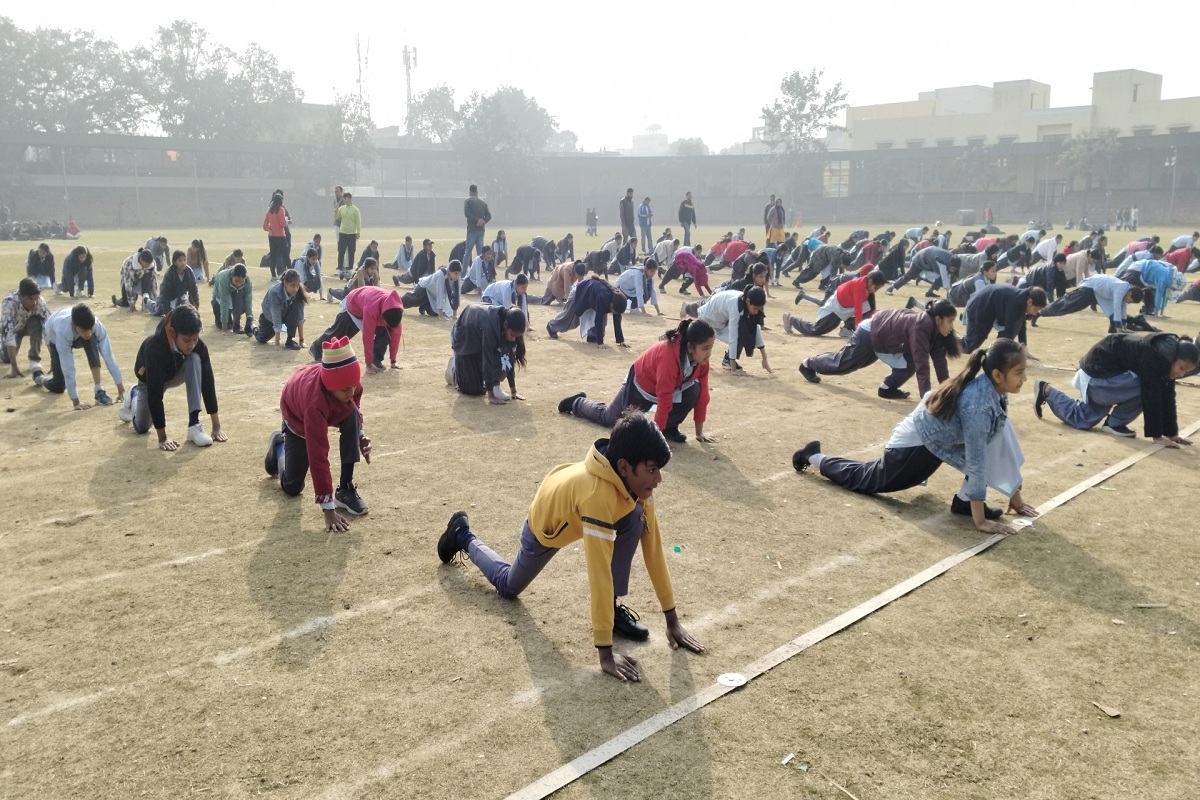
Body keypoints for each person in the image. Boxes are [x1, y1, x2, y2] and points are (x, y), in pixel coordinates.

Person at [436, 412, 705, 682]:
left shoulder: (639, 488)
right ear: (623, 467)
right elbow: (599, 572)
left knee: (636, 517)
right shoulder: (597, 497)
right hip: (546, 525)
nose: (658, 479)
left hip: (571, 493)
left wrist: (672, 622)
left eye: (658, 469)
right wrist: (605, 653)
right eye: (651, 470)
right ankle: (462, 535)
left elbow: (654, 550)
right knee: (508, 587)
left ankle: (613, 611)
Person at [793, 338, 1038, 535]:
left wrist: (1015, 496)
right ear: (997, 374)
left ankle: (964, 501)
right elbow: (976, 461)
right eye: (1019, 372)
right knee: (867, 479)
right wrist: (980, 522)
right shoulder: (979, 405)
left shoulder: (995, 390)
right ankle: (814, 455)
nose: (1024, 379)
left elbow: (998, 440)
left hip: (935, 440)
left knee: (993, 435)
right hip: (913, 446)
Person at [263, 336, 372, 530]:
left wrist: (360, 434)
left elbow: (354, 405)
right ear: (330, 387)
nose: (351, 391)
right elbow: (318, 455)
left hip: (324, 398)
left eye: (354, 386)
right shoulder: (315, 405)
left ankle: (345, 488)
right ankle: (279, 444)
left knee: (351, 416)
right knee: (292, 487)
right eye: (345, 389)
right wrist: (328, 509)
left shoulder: (350, 384)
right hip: (297, 413)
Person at [560, 319, 716, 443]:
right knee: (610, 419)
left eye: (710, 348)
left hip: (667, 388)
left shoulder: (701, 361)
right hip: (641, 385)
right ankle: (577, 402)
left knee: (694, 389)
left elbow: (703, 397)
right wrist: (657, 441)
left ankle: (669, 427)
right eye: (705, 348)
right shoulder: (669, 355)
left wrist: (699, 432)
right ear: (690, 347)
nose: (708, 354)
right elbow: (665, 398)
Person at [1033, 333, 1198, 445]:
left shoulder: (1166, 357)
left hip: (1108, 377)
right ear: (1175, 358)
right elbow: (1152, 394)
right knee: (1149, 388)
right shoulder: (1157, 357)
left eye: (1186, 372)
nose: (1181, 374)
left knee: (1082, 419)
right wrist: (1157, 436)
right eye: (1181, 368)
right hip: (1098, 375)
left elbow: (1168, 395)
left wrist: (1172, 433)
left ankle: (1046, 390)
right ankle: (1115, 422)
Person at [799, 300, 961, 399]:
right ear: (938, 319)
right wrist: (926, 399)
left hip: (886, 337)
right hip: (870, 332)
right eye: (950, 321)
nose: (951, 326)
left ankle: (887, 388)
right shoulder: (921, 326)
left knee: (909, 363)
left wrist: (945, 392)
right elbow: (923, 365)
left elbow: (940, 362)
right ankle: (808, 364)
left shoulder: (937, 331)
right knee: (844, 364)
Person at [116, 305, 224, 450]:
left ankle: (194, 425)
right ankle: (134, 393)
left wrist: (216, 426)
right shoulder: (154, 349)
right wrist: (163, 438)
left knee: (194, 359)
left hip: (176, 373)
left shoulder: (198, 346)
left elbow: (208, 382)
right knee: (142, 427)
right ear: (173, 332)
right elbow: (155, 395)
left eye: (195, 339)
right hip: (150, 380)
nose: (191, 344)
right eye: (186, 340)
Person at [39, 303, 125, 409]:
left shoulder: (96, 325)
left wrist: (121, 390)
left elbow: (108, 356)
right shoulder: (63, 330)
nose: (88, 333)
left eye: (90, 329)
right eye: (84, 330)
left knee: (90, 340)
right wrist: (76, 402)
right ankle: (41, 379)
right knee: (59, 385)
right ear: (74, 325)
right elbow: (68, 368)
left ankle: (99, 390)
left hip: (75, 332)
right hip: (53, 336)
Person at [309, 285, 404, 372]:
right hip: (353, 304)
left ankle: (376, 358)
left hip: (368, 302)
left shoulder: (395, 309)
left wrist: (393, 360)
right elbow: (368, 337)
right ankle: (316, 347)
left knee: (386, 331)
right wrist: (368, 365)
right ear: (383, 317)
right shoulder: (371, 309)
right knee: (340, 333)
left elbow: (395, 335)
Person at [446, 304, 527, 403]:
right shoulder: (491, 325)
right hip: (464, 338)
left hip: (478, 336)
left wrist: (513, 391)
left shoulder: (509, 325)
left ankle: (495, 386)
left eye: (516, 336)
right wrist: (491, 395)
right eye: (512, 335)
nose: (513, 339)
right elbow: (487, 358)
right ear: (505, 325)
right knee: (473, 390)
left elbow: (509, 359)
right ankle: (453, 368)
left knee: (500, 359)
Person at [688, 286, 771, 375]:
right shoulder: (735, 307)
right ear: (748, 301)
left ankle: (728, 359)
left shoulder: (747, 303)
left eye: (759, 309)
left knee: (745, 331)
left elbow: (755, 330)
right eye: (755, 309)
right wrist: (734, 370)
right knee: (703, 342)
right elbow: (733, 336)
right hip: (708, 319)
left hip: (722, 322)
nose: (756, 312)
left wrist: (765, 359)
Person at [783, 270, 886, 338]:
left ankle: (846, 329)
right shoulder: (859, 286)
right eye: (876, 288)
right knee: (816, 330)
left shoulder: (869, 289)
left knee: (868, 308)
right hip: (837, 306)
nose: (876, 291)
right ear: (870, 282)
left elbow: (872, 309)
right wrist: (860, 331)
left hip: (848, 306)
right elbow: (858, 309)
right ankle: (790, 319)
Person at [1038, 275, 1142, 333]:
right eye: (1131, 301)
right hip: (1089, 288)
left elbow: (1123, 309)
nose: (1129, 302)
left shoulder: (1126, 290)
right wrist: (1120, 331)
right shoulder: (1121, 289)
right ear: (1130, 293)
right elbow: (1117, 308)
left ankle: (1113, 330)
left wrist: (1124, 328)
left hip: (1101, 293)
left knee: (1114, 315)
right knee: (1066, 305)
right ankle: (1040, 312)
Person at [961, 284, 1047, 354]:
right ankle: (949, 341)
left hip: (991, 308)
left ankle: (996, 352)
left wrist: (1024, 349)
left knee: (1014, 329)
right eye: (1035, 310)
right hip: (980, 306)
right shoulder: (1015, 302)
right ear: (1030, 302)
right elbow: (1009, 331)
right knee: (969, 345)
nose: (1035, 313)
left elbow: (1021, 327)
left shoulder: (1022, 299)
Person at [545, 276, 628, 348]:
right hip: (581, 291)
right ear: (611, 305)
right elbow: (598, 320)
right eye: (614, 311)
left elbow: (617, 319)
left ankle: (592, 336)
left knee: (603, 320)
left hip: (592, 295)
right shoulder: (603, 297)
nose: (614, 314)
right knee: (572, 318)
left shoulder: (618, 299)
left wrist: (621, 340)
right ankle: (552, 326)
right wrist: (600, 343)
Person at [1, 278, 50, 383]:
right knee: (7, 359)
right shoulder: (9, 303)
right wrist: (14, 367)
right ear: (21, 296)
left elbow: (49, 330)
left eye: (36, 298)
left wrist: (55, 362)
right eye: (30, 299)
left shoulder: (40, 303)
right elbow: (8, 333)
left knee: (37, 323)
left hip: (29, 325)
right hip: (14, 329)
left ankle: (34, 359)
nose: (34, 302)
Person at [256, 269, 308, 350]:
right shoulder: (274, 293)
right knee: (262, 338)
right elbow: (276, 317)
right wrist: (277, 343)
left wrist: (301, 341)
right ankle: (253, 328)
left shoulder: (298, 292)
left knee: (295, 308)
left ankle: (290, 341)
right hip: (269, 317)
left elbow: (300, 317)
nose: (295, 289)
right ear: (285, 283)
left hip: (284, 314)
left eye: (297, 285)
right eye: (292, 285)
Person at [887, 247, 961, 297]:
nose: (953, 271)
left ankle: (929, 292)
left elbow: (953, 275)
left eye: (955, 269)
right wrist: (950, 294)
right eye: (953, 268)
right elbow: (945, 279)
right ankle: (891, 288)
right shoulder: (943, 263)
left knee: (942, 276)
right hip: (919, 259)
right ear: (950, 264)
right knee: (909, 276)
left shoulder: (952, 260)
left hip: (929, 260)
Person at [210, 263, 255, 336]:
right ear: (232, 276)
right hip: (220, 296)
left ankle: (236, 325)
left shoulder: (247, 281)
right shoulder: (223, 279)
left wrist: (249, 320)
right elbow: (224, 302)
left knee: (239, 302)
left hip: (235, 292)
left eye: (242, 282)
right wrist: (224, 329)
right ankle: (219, 315)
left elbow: (248, 300)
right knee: (226, 325)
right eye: (236, 281)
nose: (239, 284)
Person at [153, 250, 199, 316]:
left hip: (182, 296)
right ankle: (148, 300)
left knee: (186, 312)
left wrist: (196, 306)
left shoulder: (189, 271)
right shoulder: (170, 273)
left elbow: (194, 290)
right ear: (175, 262)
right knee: (157, 310)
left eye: (184, 260)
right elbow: (166, 293)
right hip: (170, 298)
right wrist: (168, 312)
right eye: (180, 260)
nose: (183, 262)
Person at [334, 192, 362, 277]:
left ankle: (350, 268)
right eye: (343, 199)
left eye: (346, 198)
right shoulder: (342, 208)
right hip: (343, 233)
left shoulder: (355, 209)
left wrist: (358, 232)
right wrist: (336, 210)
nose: (344, 200)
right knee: (341, 251)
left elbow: (358, 221)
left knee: (351, 252)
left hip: (352, 234)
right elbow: (336, 217)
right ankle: (339, 269)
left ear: (350, 199)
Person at [263, 194, 289, 280]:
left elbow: (264, 225)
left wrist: (269, 230)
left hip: (272, 237)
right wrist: (287, 220)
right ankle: (290, 271)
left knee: (273, 256)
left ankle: (273, 275)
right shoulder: (281, 210)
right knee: (285, 255)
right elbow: (283, 224)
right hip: (281, 236)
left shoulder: (269, 210)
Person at [464, 184, 492, 265]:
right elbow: (489, 216)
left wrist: (477, 220)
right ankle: (480, 270)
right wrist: (483, 221)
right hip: (481, 230)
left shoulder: (468, 201)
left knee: (468, 252)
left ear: (469, 192)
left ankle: (464, 273)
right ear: (477, 192)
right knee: (480, 253)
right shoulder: (483, 202)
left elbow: (467, 214)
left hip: (472, 230)